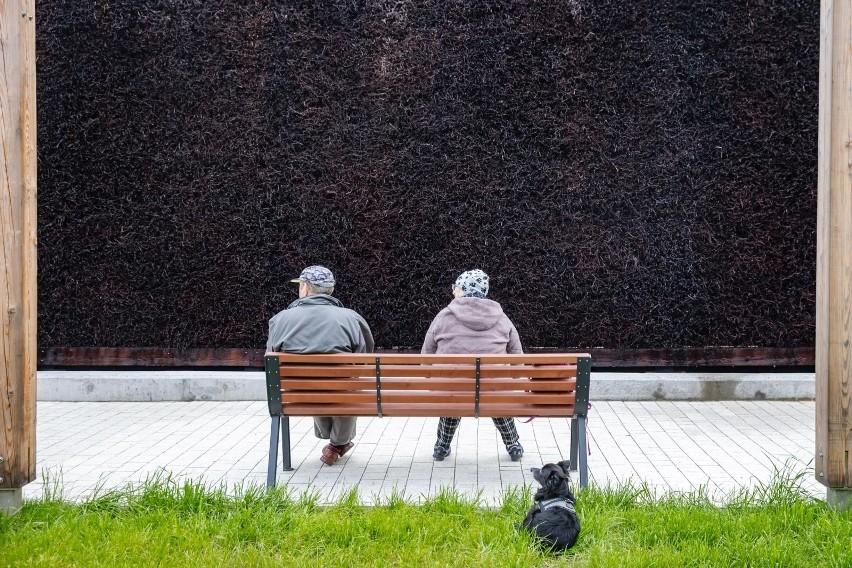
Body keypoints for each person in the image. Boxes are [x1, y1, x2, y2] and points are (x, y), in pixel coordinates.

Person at [267, 265, 374, 466]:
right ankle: (338, 443)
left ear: (306, 288)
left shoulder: (280, 319)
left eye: (300, 286)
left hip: (298, 393)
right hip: (342, 391)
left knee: (315, 382)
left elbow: (270, 359)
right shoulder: (351, 318)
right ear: (331, 290)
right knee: (347, 384)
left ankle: (333, 440)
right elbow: (365, 358)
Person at [421, 269, 525, 462]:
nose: (453, 291)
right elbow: (517, 359)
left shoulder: (444, 316)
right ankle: (513, 445)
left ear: (465, 291)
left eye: (456, 287)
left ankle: (441, 446)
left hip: (453, 391)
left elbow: (426, 356)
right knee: (495, 395)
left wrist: (430, 378)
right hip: (493, 391)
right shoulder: (501, 318)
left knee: (454, 394)